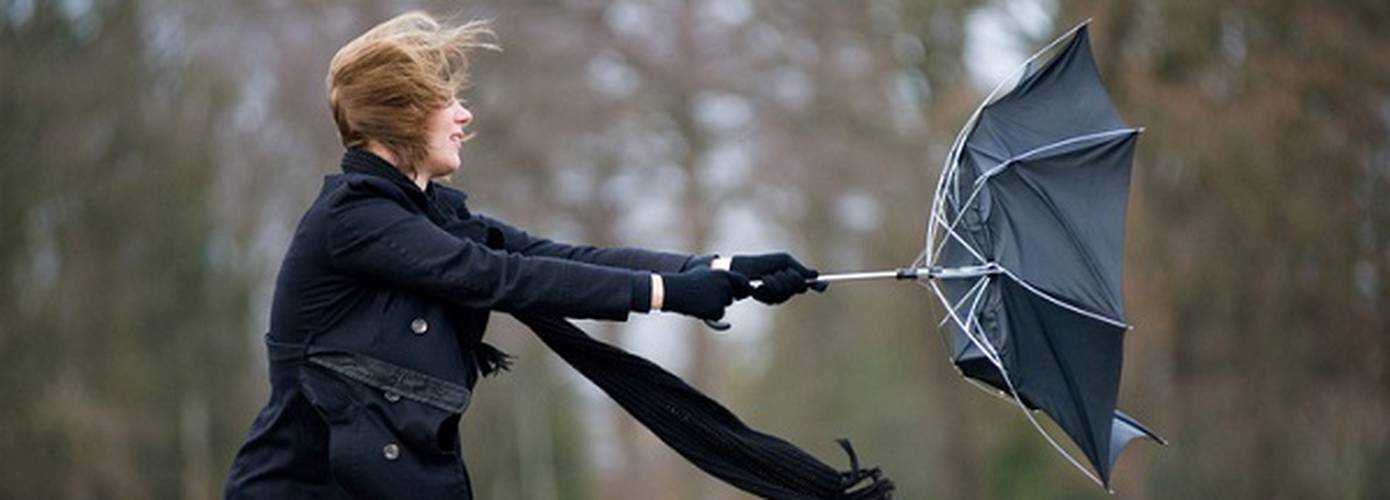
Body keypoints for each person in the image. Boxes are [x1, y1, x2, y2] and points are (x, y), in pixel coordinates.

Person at [223, 11, 820, 499]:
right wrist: (664, 296)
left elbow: (552, 254)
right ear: (401, 114)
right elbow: (496, 276)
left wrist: (715, 269)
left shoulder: (429, 215)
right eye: (444, 100)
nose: (464, 114)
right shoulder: (353, 218)